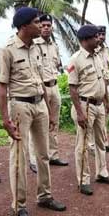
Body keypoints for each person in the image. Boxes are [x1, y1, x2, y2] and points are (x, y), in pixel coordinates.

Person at [0, 7, 66, 216]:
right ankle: (19, 206)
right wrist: (5, 119)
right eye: (37, 22)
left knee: (43, 154)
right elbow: (2, 87)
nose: (41, 25)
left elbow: (40, 78)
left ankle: (45, 196)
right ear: (24, 26)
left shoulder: (36, 48)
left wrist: (47, 108)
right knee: (19, 157)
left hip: (39, 105)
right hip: (20, 106)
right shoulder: (7, 50)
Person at [68, 24, 109, 196]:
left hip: (99, 105)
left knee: (101, 140)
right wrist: (80, 112)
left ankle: (102, 172)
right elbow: (73, 89)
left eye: (98, 36)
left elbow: (103, 80)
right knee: (82, 144)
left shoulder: (97, 56)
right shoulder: (76, 59)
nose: (98, 39)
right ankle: (83, 180)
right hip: (86, 105)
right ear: (85, 40)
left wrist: (107, 100)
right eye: (94, 37)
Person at [28, 14, 68, 168]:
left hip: (54, 86)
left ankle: (53, 155)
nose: (45, 28)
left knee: (54, 123)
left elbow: (57, 64)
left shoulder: (54, 46)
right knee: (38, 125)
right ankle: (34, 159)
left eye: (48, 25)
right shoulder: (34, 45)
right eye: (43, 25)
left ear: (52, 27)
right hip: (40, 89)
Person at [95, 25, 109, 153]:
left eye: (104, 34)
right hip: (97, 87)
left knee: (105, 115)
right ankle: (93, 145)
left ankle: (104, 142)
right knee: (96, 116)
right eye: (99, 34)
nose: (102, 37)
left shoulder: (106, 49)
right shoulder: (93, 50)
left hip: (106, 86)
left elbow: (108, 67)